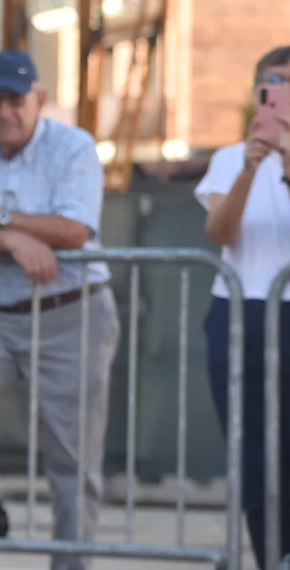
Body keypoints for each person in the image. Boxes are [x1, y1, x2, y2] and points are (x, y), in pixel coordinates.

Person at [0, 51, 120, 570]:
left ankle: (71, 565)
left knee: (72, 460)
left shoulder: (73, 145)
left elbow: (74, 230)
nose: (4, 111)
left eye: (15, 99)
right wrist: (15, 238)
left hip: (71, 314)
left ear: (39, 99)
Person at [195, 45, 290, 569]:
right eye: (273, 82)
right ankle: (270, 553)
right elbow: (220, 232)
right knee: (253, 450)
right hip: (241, 310)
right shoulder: (232, 157)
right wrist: (251, 169)